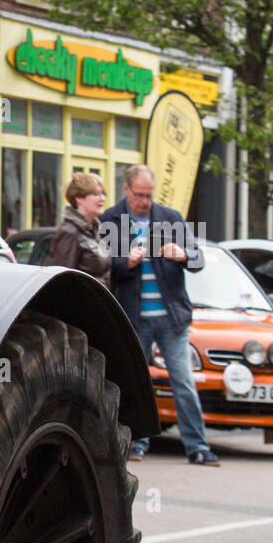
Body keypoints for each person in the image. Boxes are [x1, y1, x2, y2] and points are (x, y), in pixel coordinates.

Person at [103, 164, 218, 465]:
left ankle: (198, 447)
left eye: (149, 195)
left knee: (183, 382)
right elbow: (103, 266)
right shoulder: (111, 220)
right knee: (136, 383)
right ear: (126, 190)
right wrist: (126, 262)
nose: (144, 201)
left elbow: (198, 258)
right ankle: (136, 443)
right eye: (139, 195)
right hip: (133, 316)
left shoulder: (170, 218)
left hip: (171, 317)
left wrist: (182, 255)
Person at [51, 171, 111, 289]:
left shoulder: (93, 230)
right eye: (95, 194)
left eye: (103, 193)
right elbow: (64, 282)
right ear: (78, 198)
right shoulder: (69, 232)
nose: (102, 198)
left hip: (98, 303)